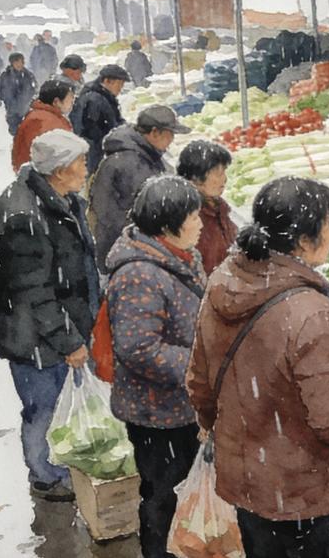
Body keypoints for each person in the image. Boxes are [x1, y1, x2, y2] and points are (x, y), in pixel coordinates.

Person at [187, 177, 329, 558]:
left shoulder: (224, 281)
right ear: (304, 241)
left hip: (249, 483)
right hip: (306, 492)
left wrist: (218, 428)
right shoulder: (311, 315)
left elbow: (199, 381)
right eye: (328, 225)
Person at [0, 130, 98, 502]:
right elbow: (34, 293)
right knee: (42, 409)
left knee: (55, 406)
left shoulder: (60, 199)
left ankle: (60, 466)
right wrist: (68, 341)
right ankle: (45, 476)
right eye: (81, 162)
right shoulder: (24, 217)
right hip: (33, 338)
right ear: (59, 170)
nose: (86, 168)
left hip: (49, 328)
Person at [105, 175, 206, 558]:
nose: (200, 224)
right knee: (164, 497)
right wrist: (198, 365)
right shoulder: (139, 274)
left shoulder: (180, 255)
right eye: (193, 217)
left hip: (182, 405)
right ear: (168, 225)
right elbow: (138, 348)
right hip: (157, 413)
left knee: (184, 491)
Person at [89, 105, 190, 273]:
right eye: (170, 134)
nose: (172, 140)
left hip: (126, 249)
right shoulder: (132, 164)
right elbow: (111, 213)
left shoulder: (142, 154)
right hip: (126, 253)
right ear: (155, 132)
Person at [177, 140, 237, 275]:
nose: (224, 179)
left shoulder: (218, 207)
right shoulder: (190, 217)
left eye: (224, 172)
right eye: (218, 174)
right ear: (196, 179)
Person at [71, 64, 128, 172]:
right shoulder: (95, 99)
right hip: (93, 153)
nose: (121, 88)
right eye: (119, 84)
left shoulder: (102, 96)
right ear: (107, 81)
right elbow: (93, 131)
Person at [12, 80, 75, 173]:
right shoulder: (44, 121)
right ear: (56, 102)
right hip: (40, 175)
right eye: (70, 99)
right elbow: (48, 156)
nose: (73, 102)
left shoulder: (46, 116)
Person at [0, 52, 37, 135]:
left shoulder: (28, 75)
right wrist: (3, 98)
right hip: (12, 109)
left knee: (27, 132)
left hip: (26, 108)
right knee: (14, 132)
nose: (19, 64)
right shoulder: (5, 75)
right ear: (12, 63)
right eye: (16, 62)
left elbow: (35, 89)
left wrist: (32, 100)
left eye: (20, 62)